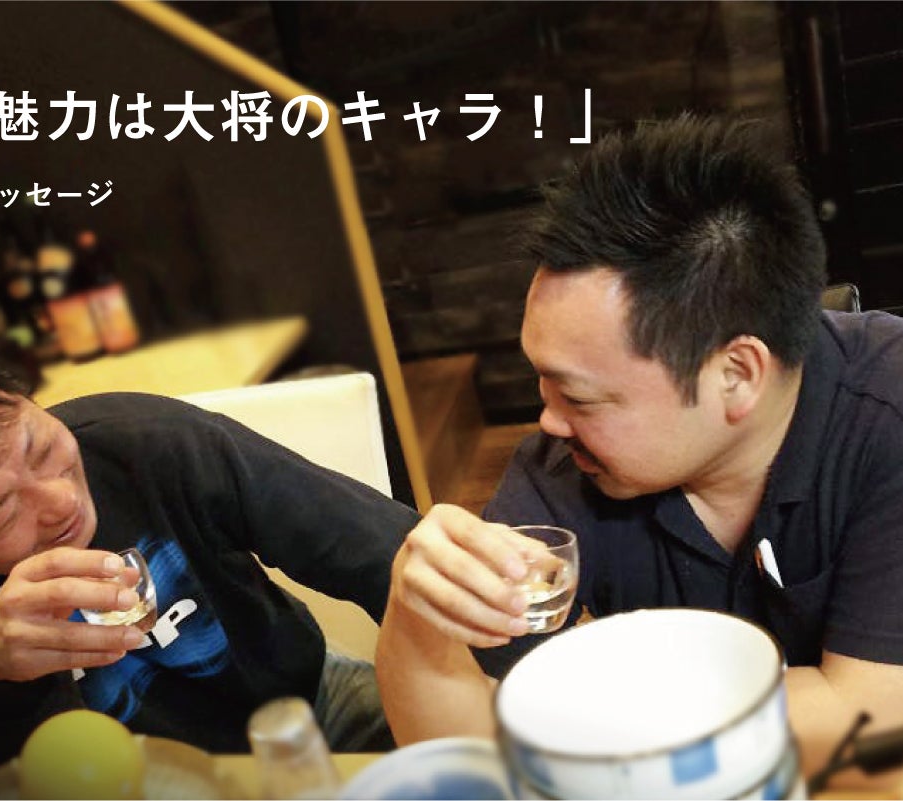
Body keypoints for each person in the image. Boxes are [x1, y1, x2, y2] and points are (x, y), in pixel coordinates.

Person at [375, 115, 903, 789]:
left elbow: (878, 734)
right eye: (541, 381)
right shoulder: (565, 467)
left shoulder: (885, 415)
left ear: (735, 374)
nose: (548, 420)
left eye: (579, 395)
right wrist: (418, 623)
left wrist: (582, 712)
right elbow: (472, 748)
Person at [0, 325, 419, 768]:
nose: (61, 500)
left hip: (308, 708)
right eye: (3, 510)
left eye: (40, 446)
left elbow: (380, 552)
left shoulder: (145, 443)